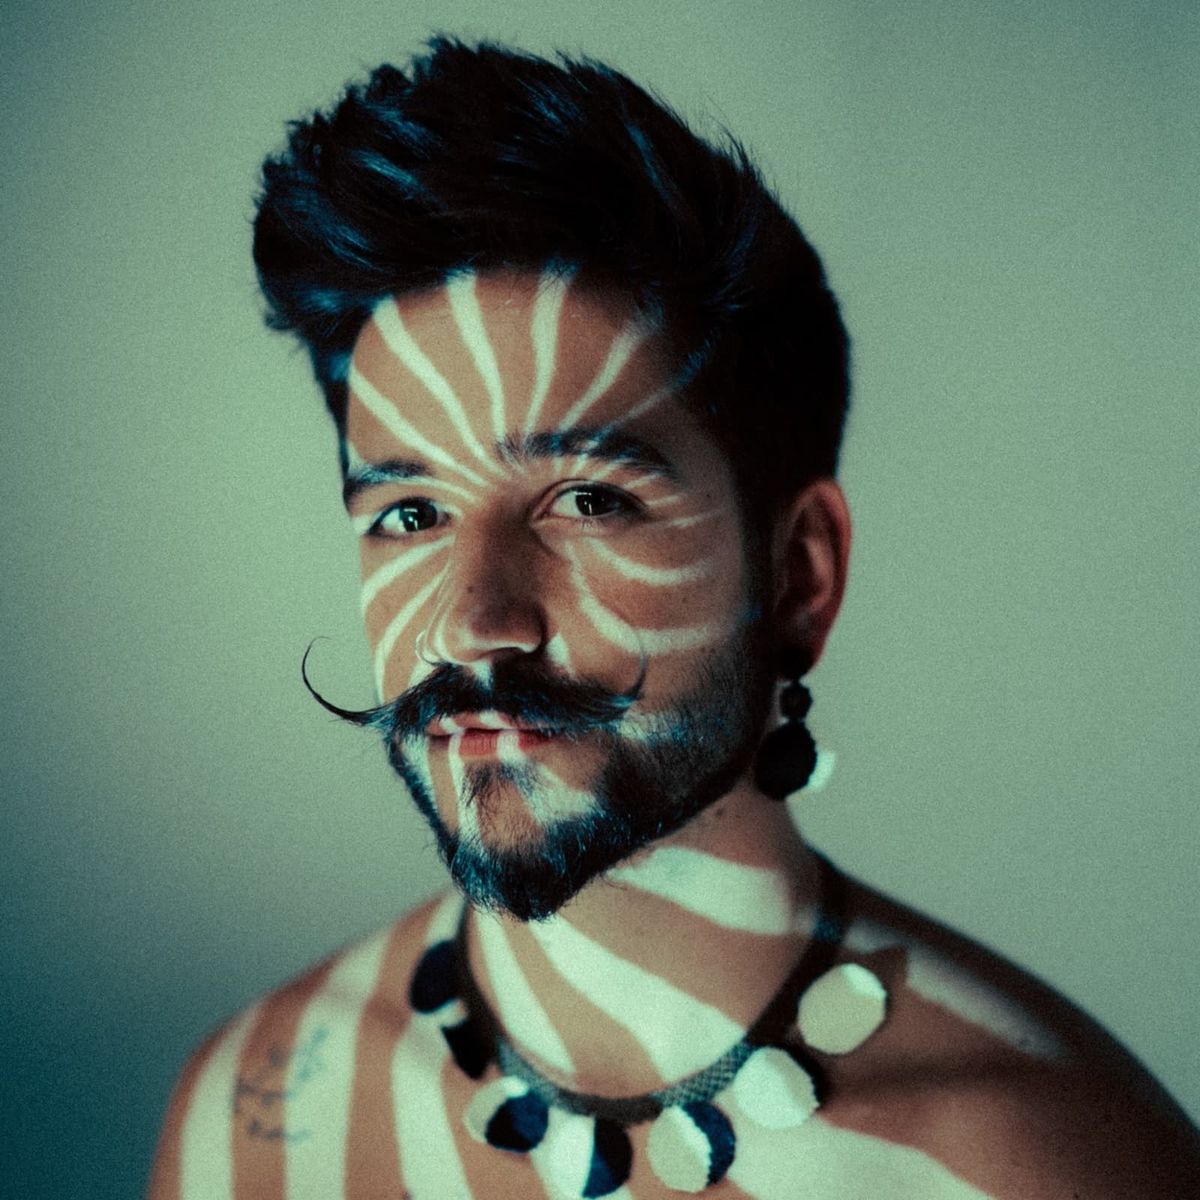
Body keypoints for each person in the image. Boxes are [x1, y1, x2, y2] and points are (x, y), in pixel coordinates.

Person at [149, 37, 1200, 1199]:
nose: (472, 622)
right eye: (409, 514)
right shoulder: (255, 1125)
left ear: (798, 575)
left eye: (588, 500)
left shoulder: (1050, 1163)